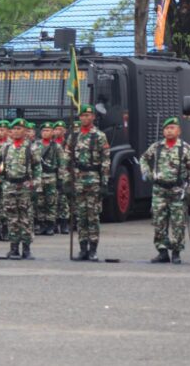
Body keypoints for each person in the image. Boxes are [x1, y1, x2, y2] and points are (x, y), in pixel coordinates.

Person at [140, 117, 190, 264]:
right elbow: (143, 159)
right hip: (159, 190)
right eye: (166, 128)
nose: (169, 130)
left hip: (177, 190)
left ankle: (177, 252)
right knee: (159, 221)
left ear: (178, 131)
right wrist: (147, 173)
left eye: (172, 128)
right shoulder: (157, 146)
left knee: (178, 223)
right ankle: (162, 251)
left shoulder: (186, 148)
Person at [67, 105, 110, 262]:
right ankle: (82, 248)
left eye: (88, 115)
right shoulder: (74, 136)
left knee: (93, 216)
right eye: (82, 115)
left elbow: (105, 160)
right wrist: (66, 181)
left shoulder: (99, 136)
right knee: (80, 216)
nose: (85, 118)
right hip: (78, 180)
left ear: (93, 117)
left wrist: (105, 182)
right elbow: (67, 159)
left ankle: (93, 249)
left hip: (93, 180)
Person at [0, 118, 41, 259]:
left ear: (25, 131)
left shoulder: (31, 147)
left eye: (19, 129)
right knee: (11, 218)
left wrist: (35, 184)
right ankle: (14, 248)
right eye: (14, 129)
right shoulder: (6, 147)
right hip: (9, 186)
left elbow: (37, 168)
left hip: (25, 186)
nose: (16, 131)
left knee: (26, 218)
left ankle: (26, 249)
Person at [36, 121, 63, 236]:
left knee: (51, 201)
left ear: (52, 133)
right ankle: (42, 224)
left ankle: (51, 225)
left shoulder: (56, 146)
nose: (45, 133)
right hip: (39, 177)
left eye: (48, 131)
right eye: (43, 131)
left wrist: (60, 180)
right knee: (40, 201)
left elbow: (61, 164)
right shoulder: (36, 145)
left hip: (51, 176)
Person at [54, 120, 70, 234]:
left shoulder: (68, 143)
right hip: (53, 174)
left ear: (65, 130)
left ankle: (64, 224)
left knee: (64, 199)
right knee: (54, 200)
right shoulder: (51, 144)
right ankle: (54, 223)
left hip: (65, 174)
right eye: (57, 129)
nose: (58, 131)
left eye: (61, 129)